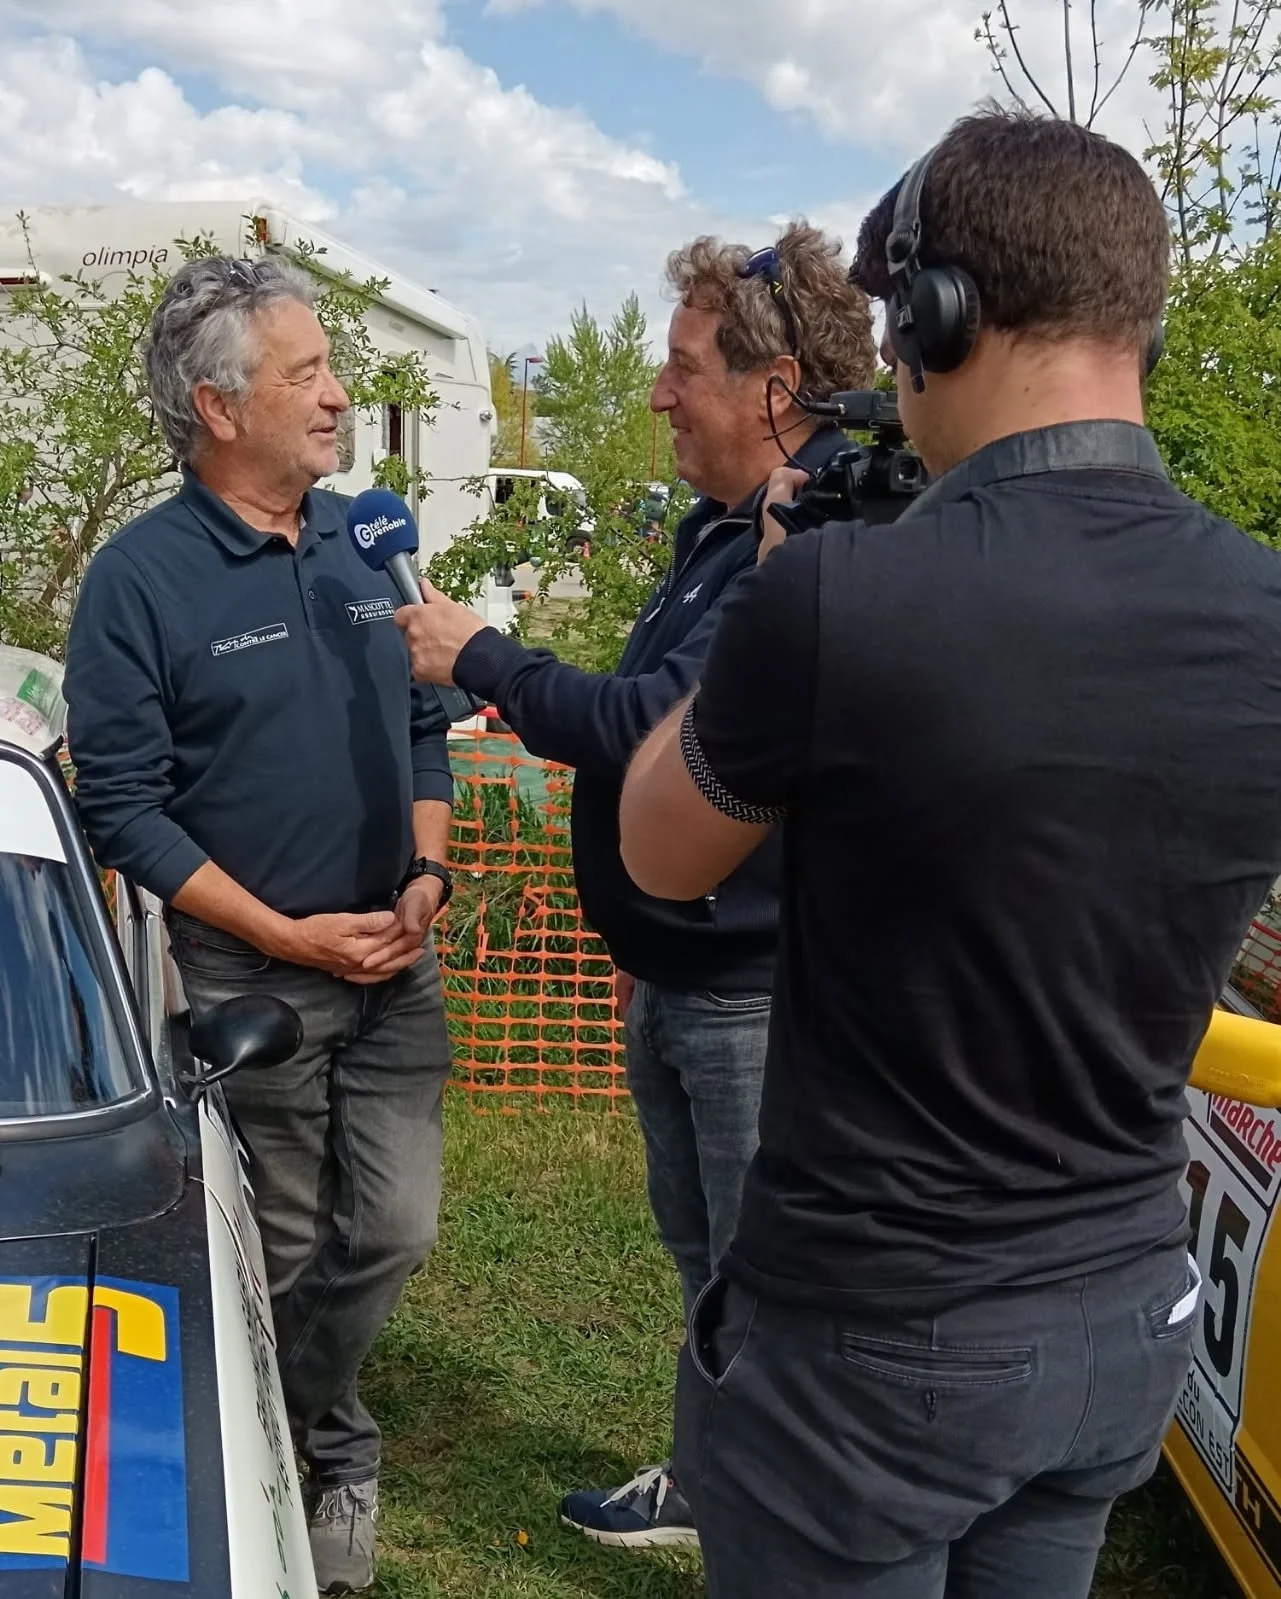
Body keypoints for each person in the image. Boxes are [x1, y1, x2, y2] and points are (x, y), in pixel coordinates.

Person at [617, 109, 1281, 1599]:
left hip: (869, 1342)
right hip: (1121, 1316)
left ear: (935, 314)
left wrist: (779, 590)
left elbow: (661, 850)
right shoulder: (1264, 611)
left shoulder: (842, 597)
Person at [393, 223, 876, 1548]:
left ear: (775, 392)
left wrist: (479, 653)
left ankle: (773, 1528)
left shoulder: (811, 544)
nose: (657, 394)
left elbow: (651, 721)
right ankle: (712, 1483)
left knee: (757, 1277)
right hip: (684, 977)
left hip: (750, 993)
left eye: (680, 368)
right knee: (707, 1266)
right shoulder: (732, 531)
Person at [63, 256, 455, 1596]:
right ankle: (310, 1459)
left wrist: (430, 876)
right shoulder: (139, 582)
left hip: (399, 961)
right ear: (218, 407)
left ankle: (297, 1426)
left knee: (394, 1225)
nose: (340, 397)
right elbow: (124, 810)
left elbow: (424, 722)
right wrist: (290, 938)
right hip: (255, 982)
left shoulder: (359, 542)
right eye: (308, 375)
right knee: (276, 1240)